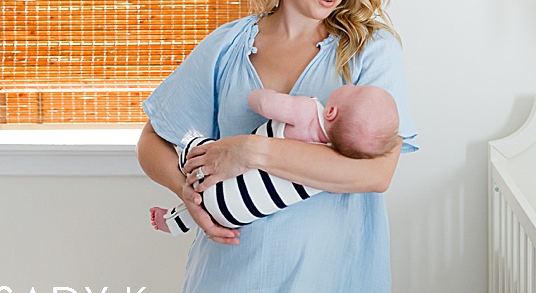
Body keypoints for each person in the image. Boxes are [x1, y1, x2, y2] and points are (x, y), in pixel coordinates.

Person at [136, 0, 418, 293]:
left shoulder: (370, 50)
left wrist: (253, 150)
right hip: (230, 280)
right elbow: (153, 141)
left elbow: (376, 173)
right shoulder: (226, 47)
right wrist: (188, 194)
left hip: (330, 291)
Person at [150, 84, 401, 235]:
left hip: (216, 185)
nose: (353, 84)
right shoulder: (333, 168)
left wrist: (258, 96)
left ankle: (183, 174)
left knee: (199, 147)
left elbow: (265, 102)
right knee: (213, 202)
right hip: (236, 216)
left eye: (356, 89)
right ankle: (175, 220)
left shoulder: (308, 111)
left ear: (332, 111)